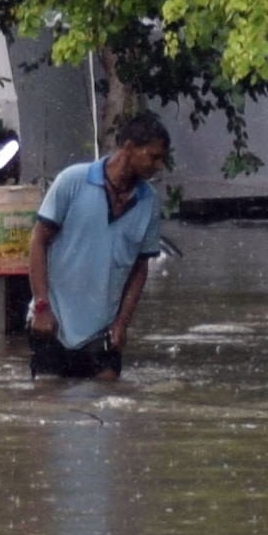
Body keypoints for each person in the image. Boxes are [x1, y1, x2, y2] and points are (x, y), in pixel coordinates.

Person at [25, 108, 173, 381]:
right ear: (129, 148)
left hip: (103, 333)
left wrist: (122, 324)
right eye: (153, 157)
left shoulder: (149, 202)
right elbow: (38, 241)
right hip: (53, 325)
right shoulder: (73, 181)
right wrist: (42, 307)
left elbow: (140, 269)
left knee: (108, 409)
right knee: (45, 408)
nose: (158, 165)